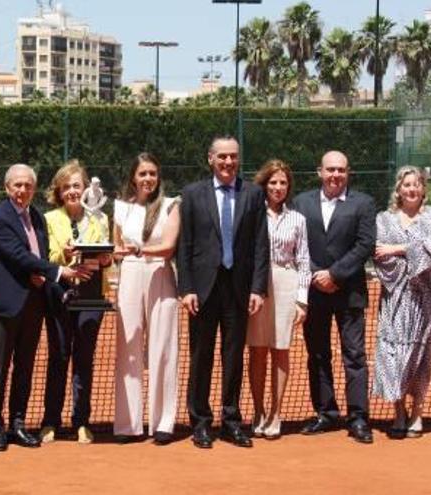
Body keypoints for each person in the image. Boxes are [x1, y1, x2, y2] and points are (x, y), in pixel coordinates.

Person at [0, 164, 91, 452]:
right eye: (17, 185)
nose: (22, 190)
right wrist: (57, 271)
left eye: (28, 185)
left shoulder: (36, 218)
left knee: (25, 368)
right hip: (7, 304)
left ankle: (18, 424)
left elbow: (38, 253)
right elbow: (17, 255)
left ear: (33, 189)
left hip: (34, 303)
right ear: (7, 188)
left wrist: (44, 272)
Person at [177, 137, 269, 449]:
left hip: (239, 289)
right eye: (222, 157)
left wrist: (258, 288)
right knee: (201, 357)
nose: (229, 163)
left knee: (233, 358)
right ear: (211, 159)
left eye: (233, 157)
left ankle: (231, 422)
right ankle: (200, 422)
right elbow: (184, 245)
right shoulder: (192, 194)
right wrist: (186, 287)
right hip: (203, 290)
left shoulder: (253, 194)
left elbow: (260, 244)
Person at [292, 150, 376, 444]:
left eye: (341, 170)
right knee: (317, 356)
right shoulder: (301, 202)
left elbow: (365, 244)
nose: (335, 175)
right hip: (314, 293)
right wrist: (318, 275)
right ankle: (326, 413)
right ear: (320, 172)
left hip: (349, 293)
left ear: (348, 172)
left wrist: (335, 274)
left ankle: (358, 418)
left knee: (354, 356)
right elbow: (297, 244)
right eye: (330, 170)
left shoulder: (363, 203)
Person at [39, 160, 111, 445]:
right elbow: (46, 257)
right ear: (58, 190)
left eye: (76, 186)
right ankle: (50, 421)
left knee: (84, 359)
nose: (72, 191)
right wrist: (66, 255)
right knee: (58, 358)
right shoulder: (47, 219)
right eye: (66, 186)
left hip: (92, 298)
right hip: (59, 296)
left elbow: (107, 256)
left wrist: (105, 259)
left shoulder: (101, 219)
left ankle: (81, 421)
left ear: (85, 190)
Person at [113, 152, 181, 445]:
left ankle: (163, 423)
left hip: (161, 274)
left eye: (152, 173)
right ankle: (128, 424)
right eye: (142, 174)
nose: (148, 179)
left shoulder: (171, 205)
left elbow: (168, 247)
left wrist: (139, 251)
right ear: (133, 177)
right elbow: (116, 249)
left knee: (163, 347)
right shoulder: (120, 208)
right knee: (128, 348)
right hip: (129, 275)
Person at [373, 166, 431, 439]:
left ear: (423, 189)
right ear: (399, 190)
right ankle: (398, 412)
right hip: (395, 296)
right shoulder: (384, 219)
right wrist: (404, 252)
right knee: (392, 354)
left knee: (420, 355)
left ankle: (417, 414)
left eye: (416, 185)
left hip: (426, 299)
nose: (412, 189)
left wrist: (398, 248)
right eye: (407, 185)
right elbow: (380, 253)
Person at [246, 159, 310, 440]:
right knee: (257, 350)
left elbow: (304, 261)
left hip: (286, 283)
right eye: (273, 182)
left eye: (283, 182)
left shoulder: (298, 219)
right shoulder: (251, 214)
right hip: (256, 286)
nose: (278, 187)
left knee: (280, 349)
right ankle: (258, 411)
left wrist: (302, 300)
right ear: (264, 184)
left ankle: (276, 413)